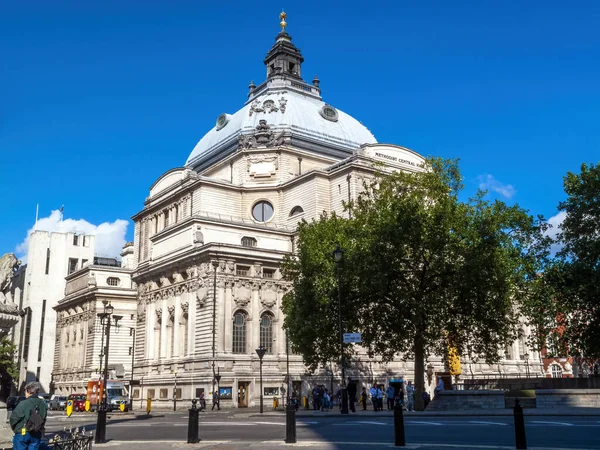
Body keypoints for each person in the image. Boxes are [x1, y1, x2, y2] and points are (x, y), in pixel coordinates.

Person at [10, 381, 47, 450]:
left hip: (22, 433)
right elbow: (44, 417)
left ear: (28, 391)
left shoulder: (23, 403)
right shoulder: (43, 404)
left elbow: (14, 418)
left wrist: (15, 428)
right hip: (36, 433)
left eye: (25, 391)